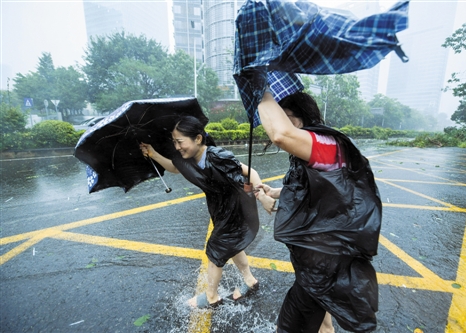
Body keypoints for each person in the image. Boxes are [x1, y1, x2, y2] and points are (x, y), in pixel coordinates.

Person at [256, 89, 382, 333]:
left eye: (286, 117)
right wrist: (274, 192)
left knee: (291, 325)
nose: (278, 126)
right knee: (321, 316)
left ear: (302, 117)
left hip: (324, 264)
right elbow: (315, 186)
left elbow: (281, 135)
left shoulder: (326, 144)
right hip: (314, 258)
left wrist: (260, 90)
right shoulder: (309, 150)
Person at [139, 115, 276, 308]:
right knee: (233, 244)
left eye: (180, 142)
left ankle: (211, 296)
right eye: (174, 143)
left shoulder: (217, 156)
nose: (177, 147)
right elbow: (175, 167)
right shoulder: (187, 158)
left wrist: (261, 197)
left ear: (198, 138)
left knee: (216, 248)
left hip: (237, 207)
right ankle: (249, 280)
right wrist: (153, 153)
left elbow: (250, 173)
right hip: (219, 207)